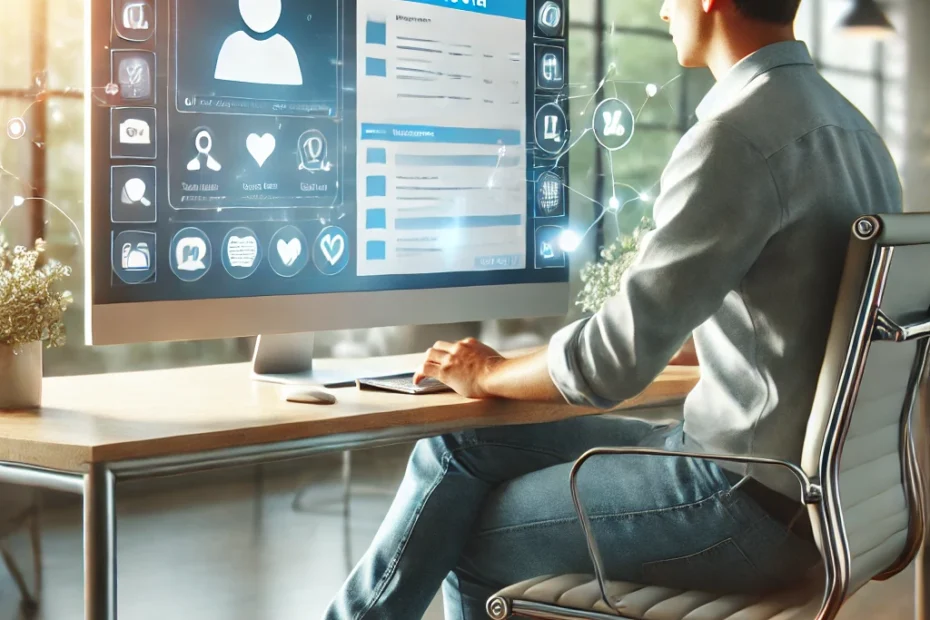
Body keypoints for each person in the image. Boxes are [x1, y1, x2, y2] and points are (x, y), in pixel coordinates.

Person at [323, 0, 903, 617]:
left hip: (739, 500)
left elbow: (611, 366)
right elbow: (789, 320)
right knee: (460, 445)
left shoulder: (736, 136)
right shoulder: (855, 133)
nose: (661, 10)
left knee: (462, 528)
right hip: (819, 502)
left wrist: (489, 374)